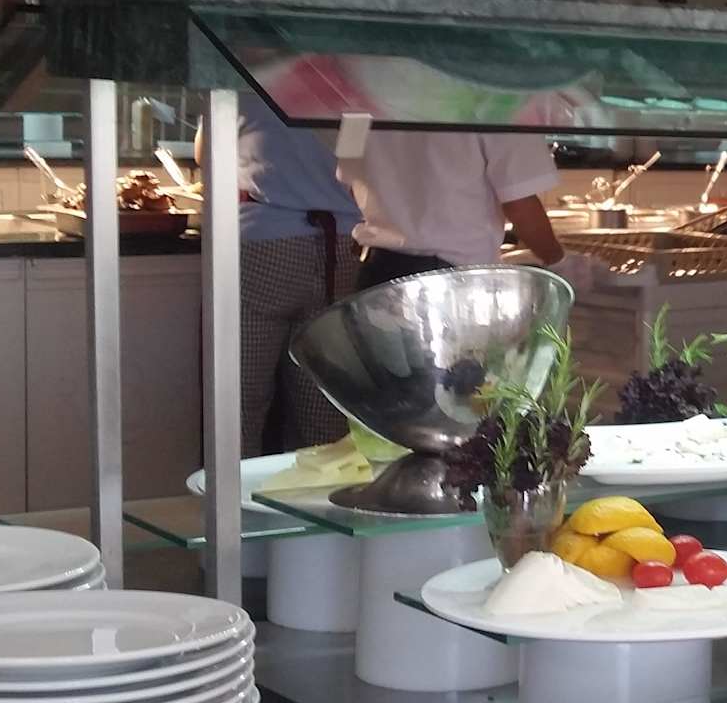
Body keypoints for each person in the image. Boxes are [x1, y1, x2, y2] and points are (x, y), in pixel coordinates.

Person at [200, 108, 364, 454]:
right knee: (324, 404)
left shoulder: (245, 87)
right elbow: (355, 163)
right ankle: (318, 485)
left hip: (263, 242)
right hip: (343, 247)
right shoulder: (348, 89)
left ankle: (233, 487)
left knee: (238, 399)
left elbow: (206, 154)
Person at [342, 132, 568, 289]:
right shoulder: (499, 99)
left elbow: (351, 181)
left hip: (376, 271)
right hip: (454, 286)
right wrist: (558, 260)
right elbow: (519, 205)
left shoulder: (359, 98)